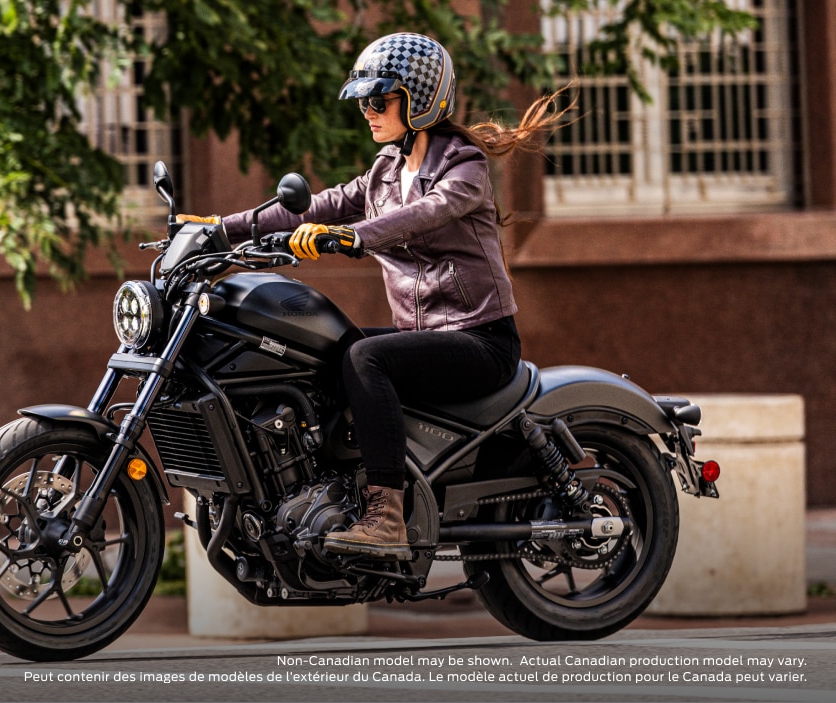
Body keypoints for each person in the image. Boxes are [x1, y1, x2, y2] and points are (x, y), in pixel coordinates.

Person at [181, 32, 571, 560]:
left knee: (366, 357)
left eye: (379, 99)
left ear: (421, 98)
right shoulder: (386, 170)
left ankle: (386, 516)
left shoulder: (464, 166)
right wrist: (220, 230)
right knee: (328, 351)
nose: (368, 110)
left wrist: (353, 236)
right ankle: (328, 488)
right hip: (424, 339)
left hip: (480, 341)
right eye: (363, 101)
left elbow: (427, 212)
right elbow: (311, 207)